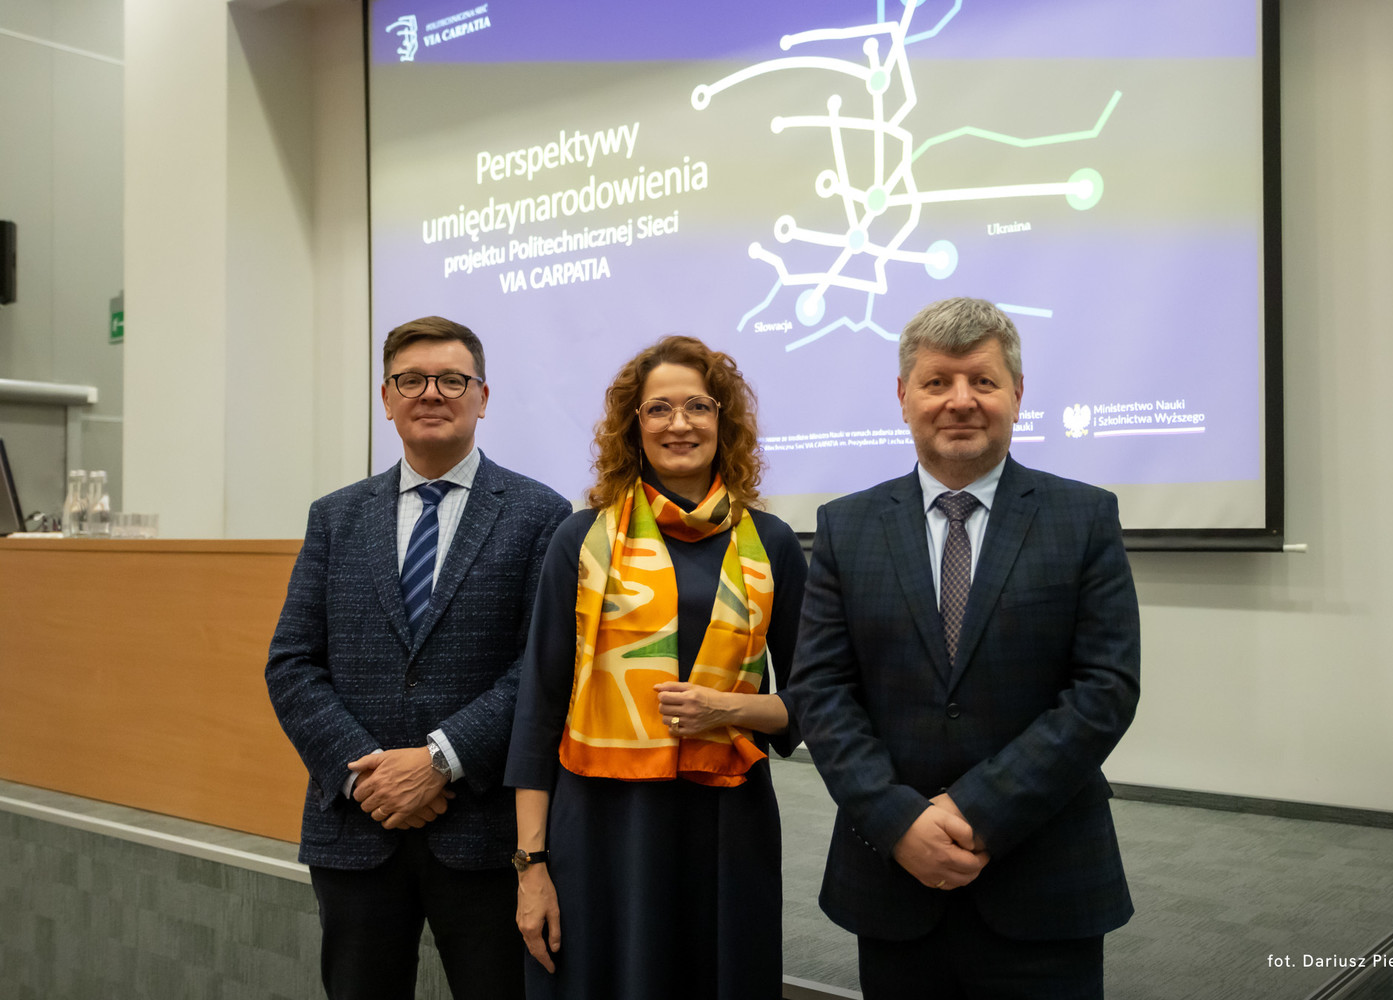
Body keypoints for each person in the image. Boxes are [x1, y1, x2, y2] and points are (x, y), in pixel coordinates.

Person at [788, 297, 1141, 999]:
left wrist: (976, 808)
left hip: (1044, 880)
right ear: (903, 396)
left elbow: (1105, 688)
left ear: (1017, 394)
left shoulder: (1084, 517)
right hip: (893, 881)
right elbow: (820, 692)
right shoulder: (846, 527)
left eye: (982, 381)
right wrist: (898, 822)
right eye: (937, 381)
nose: (960, 401)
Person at [266, 316, 571, 1000]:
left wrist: (438, 761)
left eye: (452, 380)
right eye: (410, 380)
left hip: (485, 834)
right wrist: (368, 778)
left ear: (483, 397)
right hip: (358, 825)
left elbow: (543, 670)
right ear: (386, 398)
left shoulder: (541, 515)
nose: (431, 393)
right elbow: (292, 663)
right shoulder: (335, 516)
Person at [504, 335, 805, 1000]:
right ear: (633, 425)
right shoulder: (581, 539)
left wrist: (728, 708)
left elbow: (814, 700)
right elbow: (539, 710)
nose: (679, 423)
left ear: (723, 421)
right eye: (658, 408)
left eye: (698, 406)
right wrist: (531, 864)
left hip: (726, 830)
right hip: (599, 828)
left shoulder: (773, 544)